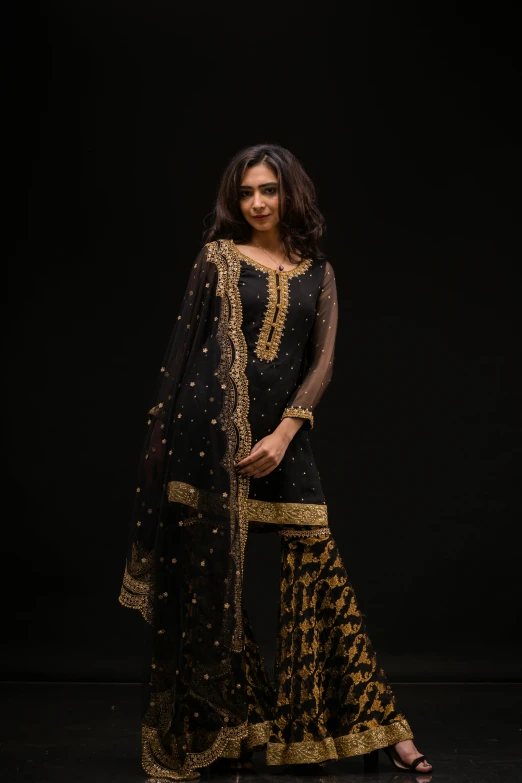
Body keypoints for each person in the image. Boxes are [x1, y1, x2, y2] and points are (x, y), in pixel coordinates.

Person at [118, 143, 433, 779]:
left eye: (269, 190)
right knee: (210, 588)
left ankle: (381, 725)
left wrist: (287, 433)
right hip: (208, 443)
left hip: (283, 441)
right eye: (246, 193)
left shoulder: (320, 272)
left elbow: (322, 363)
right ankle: (229, 729)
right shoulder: (218, 258)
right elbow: (182, 355)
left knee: (321, 571)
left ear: (292, 194)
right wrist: (165, 450)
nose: (258, 203)